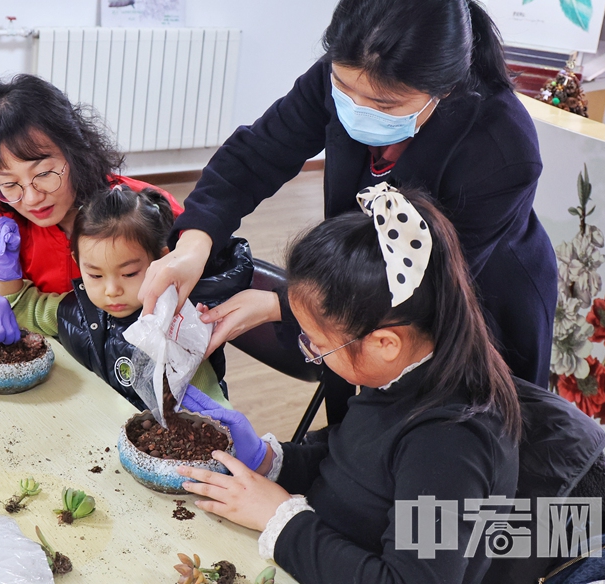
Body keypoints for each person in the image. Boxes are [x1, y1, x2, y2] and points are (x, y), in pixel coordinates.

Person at [138, 0, 557, 425]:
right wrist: (194, 243)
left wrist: (285, 304)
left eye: (384, 106)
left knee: (446, 438)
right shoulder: (348, 72)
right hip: (357, 287)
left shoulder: (501, 147)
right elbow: (257, 154)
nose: (357, 109)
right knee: (354, 429)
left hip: (470, 298)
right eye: (343, 89)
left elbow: (420, 287)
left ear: (444, 89)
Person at [176, 184, 522, 582]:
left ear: (385, 343)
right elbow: (346, 467)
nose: (310, 353)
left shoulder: (451, 446)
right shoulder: (399, 372)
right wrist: (269, 461)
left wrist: (281, 519)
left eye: (318, 346)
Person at [0, 75, 215, 347]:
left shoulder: (140, 210)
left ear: (75, 151)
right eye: (9, 183)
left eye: (44, 175)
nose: (32, 198)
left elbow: (205, 292)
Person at [0, 184, 250, 409]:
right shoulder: (75, 311)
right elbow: (19, 308)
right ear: (78, 262)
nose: (112, 290)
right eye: (96, 276)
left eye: (130, 273)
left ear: (162, 258)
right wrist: (4, 268)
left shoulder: (176, 333)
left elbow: (214, 415)